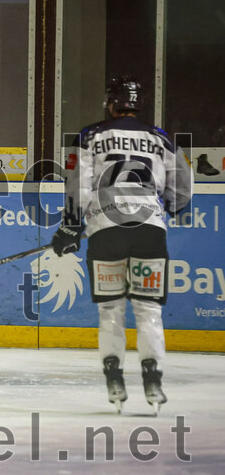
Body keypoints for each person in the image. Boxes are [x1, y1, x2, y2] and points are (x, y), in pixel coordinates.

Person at [52, 76, 193, 414]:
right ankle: (153, 379)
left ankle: (114, 378)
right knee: (148, 310)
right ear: (138, 105)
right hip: (149, 231)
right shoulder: (161, 138)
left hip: (106, 231)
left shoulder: (90, 136)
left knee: (110, 310)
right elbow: (183, 187)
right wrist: (169, 207)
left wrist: (71, 228)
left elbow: (78, 186)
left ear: (110, 103)